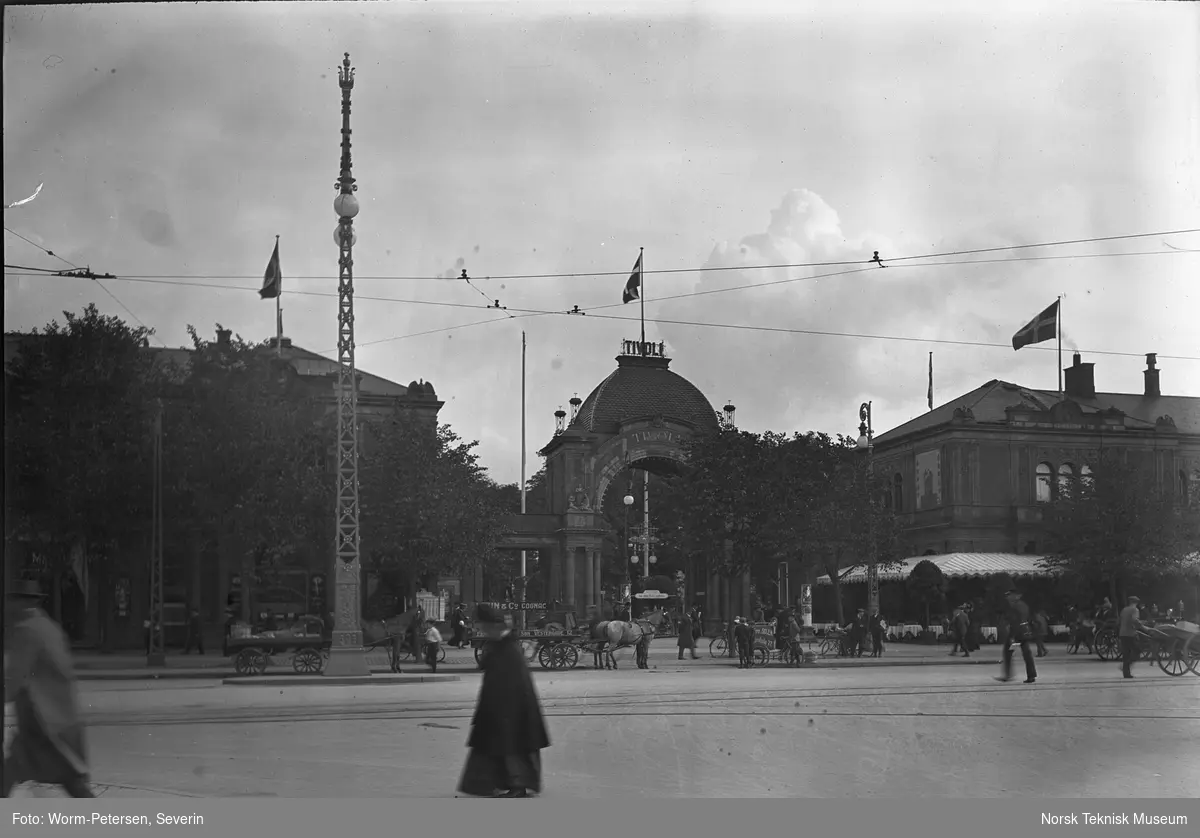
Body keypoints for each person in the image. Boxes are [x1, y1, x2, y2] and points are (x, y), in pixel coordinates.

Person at [3, 580, 94, 798]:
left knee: (66, 776)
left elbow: (15, 676)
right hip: (57, 716)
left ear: (19, 602)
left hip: (41, 719)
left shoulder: (26, 631)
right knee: (67, 776)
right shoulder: (47, 626)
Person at [457, 604, 550, 798]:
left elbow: (511, 684)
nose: (481, 630)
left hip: (511, 710)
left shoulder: (508, 647)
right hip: (502, 707)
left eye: (483, 626)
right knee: (499, 746)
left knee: (511, 747)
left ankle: (518, 785)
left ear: (492, 625)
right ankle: (500, 782)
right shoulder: (502, 643)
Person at [995, 589, 1037, 684]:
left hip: (1017, 632)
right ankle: (1031, 675)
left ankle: (1008, 675)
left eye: (1010, 595)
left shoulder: (1015, 606)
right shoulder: (1023, 605)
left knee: (1008, 651)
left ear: (1016, 596)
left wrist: (1012, 635)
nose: (1008, 598)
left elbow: (1015, 621)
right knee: (1027, 654)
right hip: (1024, 631)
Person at [1118, 596, 1146, 679]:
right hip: (1130, 633)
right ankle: (1127, 665)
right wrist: (1141, 625)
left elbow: (1120, 621)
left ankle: (1126, 673)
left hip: (1122, 633)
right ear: (1136, 603)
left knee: (1126, 653)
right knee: (1137, 651)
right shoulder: (1135, 610)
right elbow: (1134, 620)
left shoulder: (1124, 610)